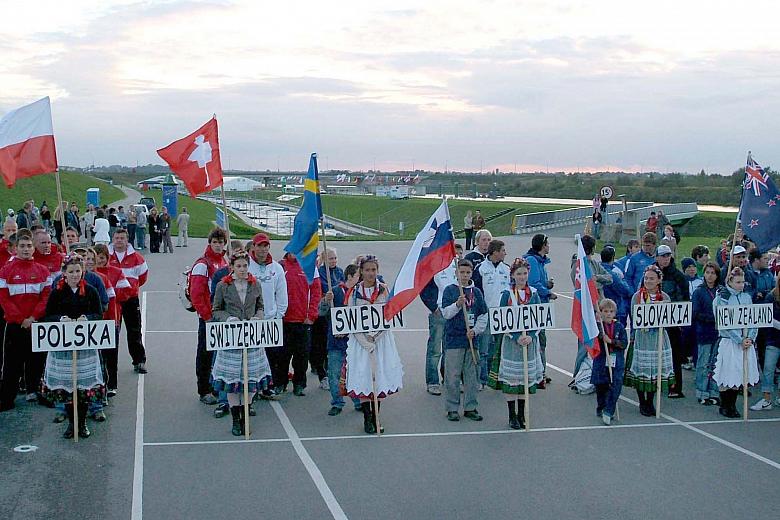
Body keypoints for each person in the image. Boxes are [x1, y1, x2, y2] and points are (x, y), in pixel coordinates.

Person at [41, 254, 104, 438]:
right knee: (68, 387)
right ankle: (71, 424)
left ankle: (82, 423)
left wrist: (87, 318)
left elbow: (98, 314)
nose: (75, 275)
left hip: (85, 348)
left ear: (82, 272)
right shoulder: (57, 292)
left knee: (83, 389)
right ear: (64, 273)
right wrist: (61, 319)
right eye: (71, 272)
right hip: (63, 350)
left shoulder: (91, 291)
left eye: (78, 271)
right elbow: (48, 315)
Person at [211, 250, 272, 436]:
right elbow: (216, 310)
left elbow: (260, 306)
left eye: (245, 265)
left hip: (252, 339)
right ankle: (236, 420)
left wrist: (258, 317)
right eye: (239, 266)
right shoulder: (223, 286)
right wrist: (228, 319)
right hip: (232, 340)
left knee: (250, 381)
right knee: (233, 382)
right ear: (232, 267)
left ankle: (245, 415)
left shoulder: (256, 284)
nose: (243, 269)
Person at [345, 256, 403, 434]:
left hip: (380, 341)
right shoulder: (354, 293)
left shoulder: (384, 291)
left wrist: (376, 338)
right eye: (367, 270)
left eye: (373, 270)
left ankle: (377, 417)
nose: (371, 273)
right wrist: (364, 341)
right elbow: (350, 320)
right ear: (361, 271)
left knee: (378, 377)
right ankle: (367, 418)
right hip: (361, 342)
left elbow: (389, 316)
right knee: (364, 377)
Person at [488, 258, 544, 429]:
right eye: (518, 274)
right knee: (513, 379)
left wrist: (532, 336)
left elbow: (539, 319)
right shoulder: (507, 294)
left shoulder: (533, 294)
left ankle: (522, 413)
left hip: (529, 342)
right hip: (512, 343)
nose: (522, 277)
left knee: (525, 379)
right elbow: (502, 321)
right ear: (512, 275)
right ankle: (512, 415)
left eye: (524, 273)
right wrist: (515, 336)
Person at [0, 230, 52, 411]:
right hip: (15, 325)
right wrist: (20, 319)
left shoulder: (43, 271)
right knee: (12, 364)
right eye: (22, 246)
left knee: (36, 361)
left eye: (29, 246)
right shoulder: (6, 271)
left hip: (35, 324)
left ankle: (35, 391)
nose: (26, 249)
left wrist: (32, 318)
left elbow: (45, 298)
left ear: (33, 248)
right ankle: (7, 398)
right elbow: (4, 299)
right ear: (15, 249)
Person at [624, 265, 675, 416]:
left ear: (659, 280)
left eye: (652, 278)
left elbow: (668, 318)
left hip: (659, 337)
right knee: (643, 369)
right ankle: (642, 401)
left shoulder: (665, 298)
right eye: (646, 278)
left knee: (655, 369)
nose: (648, 281)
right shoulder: (637, 297)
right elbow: (636, 318)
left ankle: (650, 401)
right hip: (643, 337)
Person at [441, 258, 487, 422]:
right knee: (452, 376)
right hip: (454, 340)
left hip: (471, 341)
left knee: (471, 376)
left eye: (468, 272)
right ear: (456, 273)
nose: (465, 275)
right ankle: (452, 408)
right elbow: (446, 313)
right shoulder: (450, 290)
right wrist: (457, 305)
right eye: (462, 272)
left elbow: (483, 315)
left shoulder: (477, 292)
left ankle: (470, 407)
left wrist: (475, 331)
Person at [713, 267, 759, 418]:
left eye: (743, 282)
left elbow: (753, 319)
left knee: (739, 373)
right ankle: (726, 405)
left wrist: (751, 337)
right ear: (730, 281)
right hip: (730, 341)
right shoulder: (722, 297)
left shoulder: (746, 297)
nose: (741, 285)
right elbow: (723, 322)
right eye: (738, 282)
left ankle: (732, 404)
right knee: (727, 373)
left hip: (745, 340)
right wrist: (739, 339)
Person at [190, 228, 228, 405]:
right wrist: (206, 316)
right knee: (205, 354)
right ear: (210, 243)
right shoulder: (202, 264)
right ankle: (203, 389)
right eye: (215, 242)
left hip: (221, 317)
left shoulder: (224, 262)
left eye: (221, 242)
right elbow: (196, 293)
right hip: (208, 318)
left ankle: (215, 386)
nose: (218, 245)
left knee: (218, 354)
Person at [318, 264, 362, 416]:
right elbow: (322, 312)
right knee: (335, 372)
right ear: (350, 276)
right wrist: (325, 300)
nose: (360, 278)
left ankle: (358, 400)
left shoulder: (359, 293)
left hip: (355, 341)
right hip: (336, 341)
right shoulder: (336, 291)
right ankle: (337, 402)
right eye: (358, 275)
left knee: (355, 372)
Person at [247, 233, 288, 395]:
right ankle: (252, 388)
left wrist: (278, 315)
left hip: (271, 320)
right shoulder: (246, 265)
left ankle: (268, 386)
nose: (263, 249)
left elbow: (282, 294)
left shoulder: (277, 268)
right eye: (259, 246)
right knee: (252, 356)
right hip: (251, 320)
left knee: (272, 356)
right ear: (254, 247)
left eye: (266, 246)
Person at [421, 244, 463, 395]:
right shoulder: (433, 265)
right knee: (435, 349)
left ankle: (450, 378)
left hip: (455, 311)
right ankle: (432, 381)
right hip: (438, 313)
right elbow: (424, 288)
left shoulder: (457, 265)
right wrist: (433, 307)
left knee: (451, 349)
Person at [278, 252, 322, 396]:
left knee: (301, 356)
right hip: (284, 320)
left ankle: (299, 384)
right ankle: (280, 383)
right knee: (282, 356)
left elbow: (316, 293)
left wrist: (311, 315)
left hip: (303, 321)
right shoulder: (280, 266)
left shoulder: (310, 267)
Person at [108, 228, 148, 374]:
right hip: (111, 301)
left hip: (130, 300)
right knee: (112, 332)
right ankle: (109, 364)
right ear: (112, 239)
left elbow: (142, 277)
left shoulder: (137, 258)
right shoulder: (106, 256)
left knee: (134, 331)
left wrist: (130, 290)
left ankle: (139, 361)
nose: (119, 240)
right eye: (117, 238)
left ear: (127, 240)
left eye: (122, 238)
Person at [93, 244, 131, 396]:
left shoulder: (116, 272)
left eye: (102, 258)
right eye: (97, 258)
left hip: (112, 317)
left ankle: (111, 384)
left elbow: (127, 291)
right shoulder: (88, 274)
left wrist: (112, 297)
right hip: (96, 319)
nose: (100, 261)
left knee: (111, 353)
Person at [654, 244, 690, 399]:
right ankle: (655, 383)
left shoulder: (678, 276)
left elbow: (684, 298)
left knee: (674, 355)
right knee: (655, 355)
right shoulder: (649, 274)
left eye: (668, 255)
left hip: (673, 323)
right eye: (662, 255)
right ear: (657, 257)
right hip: (654, 323)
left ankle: (675, 387)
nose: (666, 258)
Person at [474, 239, 510, 387]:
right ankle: (481, 379)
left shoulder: (507, 269)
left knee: (499, 347)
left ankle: (496, 377)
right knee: (484, 348)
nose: (505, 253)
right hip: (487, 314)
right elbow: (476, 292)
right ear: (495, 252)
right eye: (503, 250)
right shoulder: (481, 268)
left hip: (502, 314)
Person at [525, 233, 557, 385]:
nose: (549, 246)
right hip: (536, 306)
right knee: (538, 339)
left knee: (541, 341)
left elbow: (540, 282)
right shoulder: (532, 260)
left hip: (542, 305)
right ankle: (538, 373)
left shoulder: (540, 262)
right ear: (543, 245)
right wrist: (548, 292)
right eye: (547, 244)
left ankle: (541, 371)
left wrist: (547, 284)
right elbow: (534, 284)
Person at [591, 298, 627, 426]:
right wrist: (602, 336)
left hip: (616, 361)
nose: (608, 314)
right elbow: (594, 338)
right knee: (601, 385)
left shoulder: (619, 326)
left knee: (616, 384)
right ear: (600, 313)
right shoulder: (598, 326)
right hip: (601, 360)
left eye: (611, 311)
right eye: (605, 311)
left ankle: (609, 410)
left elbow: (624, 343)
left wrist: (612, 341)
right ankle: (601, 406)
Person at [312, 248, 343, 390]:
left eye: (335, 258)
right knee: (321, 345)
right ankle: (322, 373)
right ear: (324, 260)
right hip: (323, 313)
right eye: (330, 258)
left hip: (337, 313)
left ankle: (335, 373)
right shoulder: (321, 272)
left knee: (335, 344)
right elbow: (323, 288)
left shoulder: (339, 271)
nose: (334, 261)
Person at [692, 262, 722, 405]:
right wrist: (713, 319)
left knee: (715, 363)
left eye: (713, 273)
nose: (710, 275)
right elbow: (695, 312)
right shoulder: (699, 291)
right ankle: (702, 391)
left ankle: (714, 391)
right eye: (708, 272)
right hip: (704, 331)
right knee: (703, 363)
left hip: (718, 332)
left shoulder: (721, 291)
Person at [750, 275, 780, 411]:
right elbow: (767, 317)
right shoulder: (771, 296)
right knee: (768, 368)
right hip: (773, 339)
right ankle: (767, 399)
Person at [600, 246, 632, 328]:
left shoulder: (597, 269)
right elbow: (624, 289)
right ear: (612, 258)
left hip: (602, 308)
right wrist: (630, 292)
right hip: (614, 308)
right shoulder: (612, 274)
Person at [681, 257, 702, 370]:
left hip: (697, 314)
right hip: (685, 313)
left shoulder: (700, 281)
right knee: (685, 337)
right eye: (689, 267)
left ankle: (695, 359)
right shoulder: (683, 281)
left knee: (696, 337)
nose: (692, 269)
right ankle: (685, 358)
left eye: (693, 266)